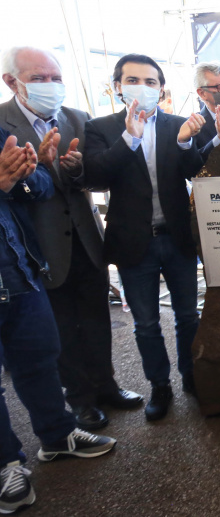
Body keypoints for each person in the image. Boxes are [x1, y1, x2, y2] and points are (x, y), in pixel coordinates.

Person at [0, 46, 143, 432]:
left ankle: (107, 386)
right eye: (39, 79)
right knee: (60, 326)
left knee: (96, 316)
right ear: (11, 82)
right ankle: (79, 399)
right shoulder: (2, 122)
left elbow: (94, 178)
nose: (51, 86)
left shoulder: (78, 119)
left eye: (55, 78)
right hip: (39, 246)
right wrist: (33, 172)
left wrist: (78, 170)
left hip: (86, 237)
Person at [83, 54, 207, 422]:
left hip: (177, 238)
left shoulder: (177, 125)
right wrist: (129, 139)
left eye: (151, 82)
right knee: (147, 323)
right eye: (134, 80)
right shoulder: (100, 128)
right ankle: (159, 385)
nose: (143, 87)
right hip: (134, 242)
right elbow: (96, 176)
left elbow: (195, 172)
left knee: (187, 315)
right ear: (118, 87)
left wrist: (187, 143)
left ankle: (190, 376)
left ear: (161, 89)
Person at [0, 128, 117, 515]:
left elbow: (38, 190)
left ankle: (58, 436)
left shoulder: (1, 133)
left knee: (40, 359)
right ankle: (6, 466)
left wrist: (28, 174)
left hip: (20, 270)